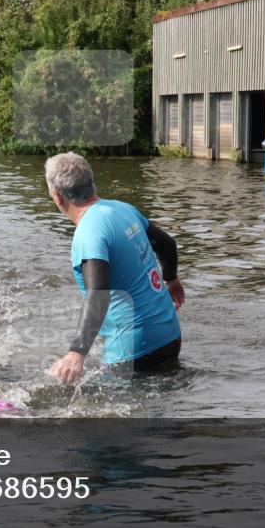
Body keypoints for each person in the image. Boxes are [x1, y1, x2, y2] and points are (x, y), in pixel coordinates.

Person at [44, 152, 185, 384]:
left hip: (134, 351)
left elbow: (98, 295)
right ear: (91, 184)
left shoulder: (88, 233)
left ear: (58, 197)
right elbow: (167, 244)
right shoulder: (123, 209)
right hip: (170, 336)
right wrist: (171, 279)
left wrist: (76, 352)